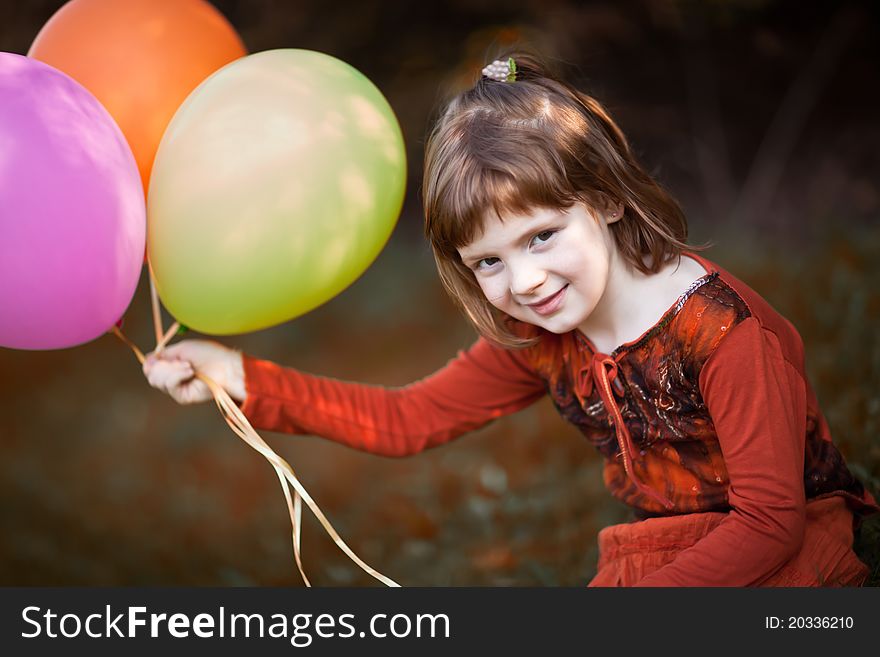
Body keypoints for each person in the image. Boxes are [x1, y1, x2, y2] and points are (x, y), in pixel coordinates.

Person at [143, 52, 877, 586]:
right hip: (670, 545)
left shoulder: (719, 333)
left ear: (609, 198)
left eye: (542, 236)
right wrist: (238, 376)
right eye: (487, 262)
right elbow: (407, 419)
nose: (525, 281)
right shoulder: (543, 336)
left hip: (782, 548)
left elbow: (770, 523)